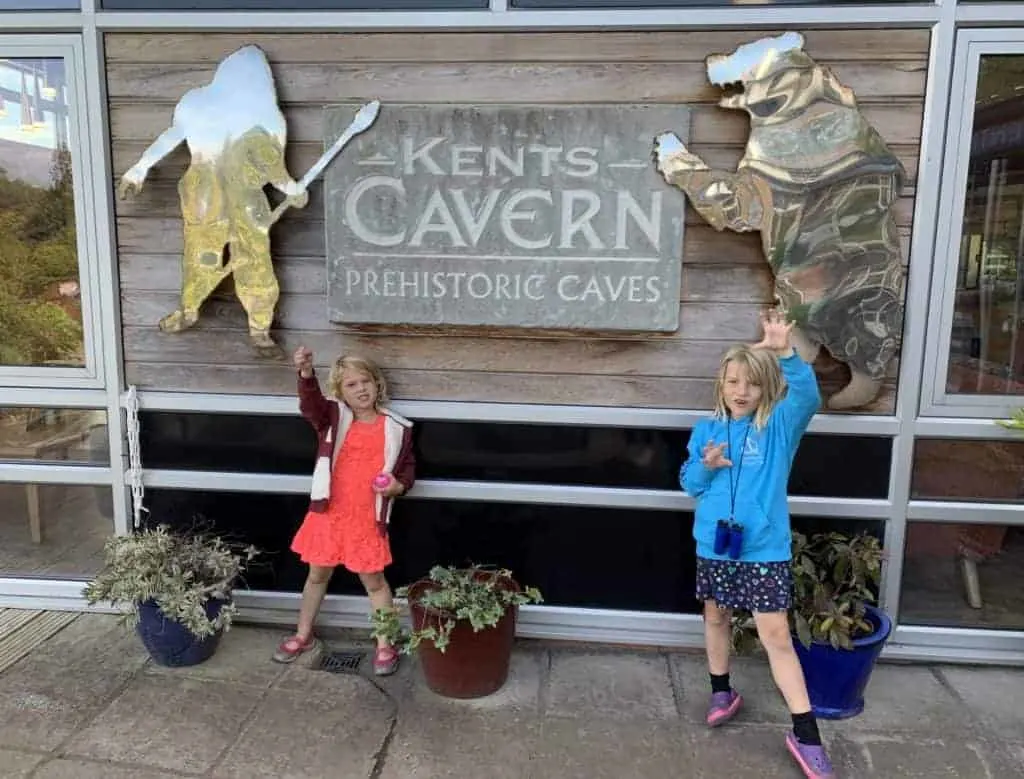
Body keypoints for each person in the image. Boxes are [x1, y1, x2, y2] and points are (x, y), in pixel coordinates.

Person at [680, 308, 834, 779]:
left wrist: (785, 352)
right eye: (732, 382)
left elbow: (808, 396)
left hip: (764, 549)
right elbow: (689, 483)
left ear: (766, 387)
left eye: (750, 383)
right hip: (715, 544)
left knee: (776, 637)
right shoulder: (707, 429)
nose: (741, 391)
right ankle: (721, 691)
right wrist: (706, 465)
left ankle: (806, 734)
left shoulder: (779, 426)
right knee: (715, 616)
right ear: (721, 385)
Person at [117, 45, 308, 356]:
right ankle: (192, 309)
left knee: (251, 260)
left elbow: (272, 166)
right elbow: (174, 135)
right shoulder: (201, 104)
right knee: (208, 255)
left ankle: (259, 328)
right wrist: (139, 169)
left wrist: (291, 189)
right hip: (207, 197)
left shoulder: (265, 117)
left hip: (240, 200)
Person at [273, 346, 414, 675]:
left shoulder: (396, 428)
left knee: (374, 582)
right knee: (316, 575)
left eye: (366, 381)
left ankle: (385, 643)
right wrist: (306, 374)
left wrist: (396, 486)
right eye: (351, 384)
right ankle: (303, 634)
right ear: (340, 391)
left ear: (377, 384)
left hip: (366, 518)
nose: (361, 389)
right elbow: (311, 405)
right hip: (329, 515)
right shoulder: (333, 418)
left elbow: (407, 470)